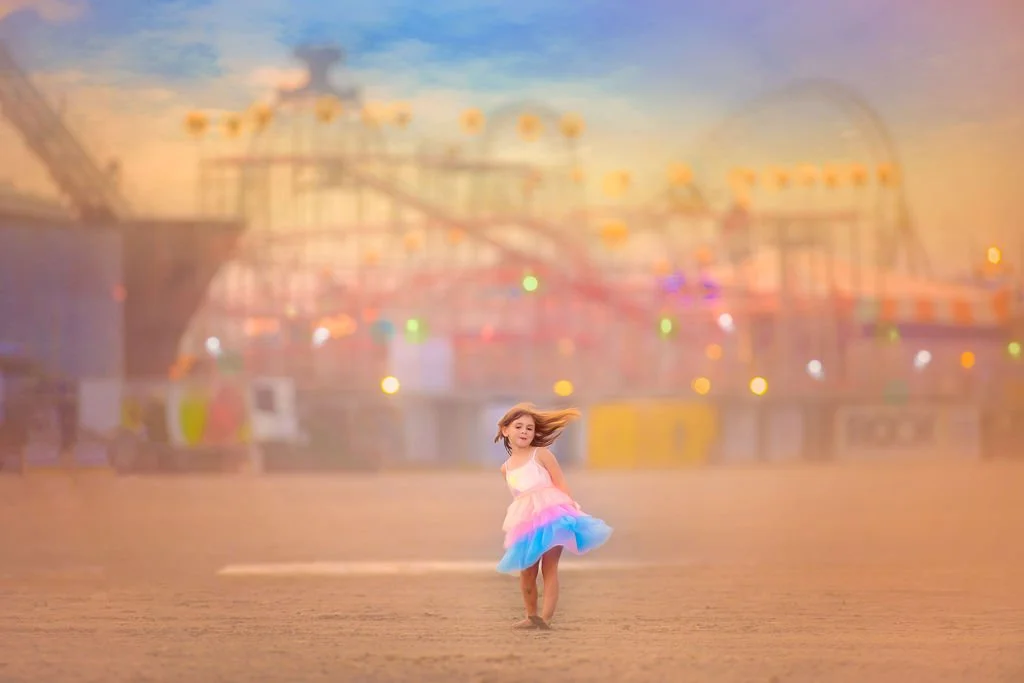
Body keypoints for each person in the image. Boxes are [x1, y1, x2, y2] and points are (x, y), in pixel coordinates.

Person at [494, 403, 613, 630]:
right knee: (527, 569)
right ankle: (531, 616)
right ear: (505, 429)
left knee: (549, 567)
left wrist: (572, 512)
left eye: (529, 428)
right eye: (518, 426)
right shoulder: (505, 468)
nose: (524, 432)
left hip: (553, 514)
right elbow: (519, 496)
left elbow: (561, 484)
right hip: (526, 519)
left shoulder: (542, 455)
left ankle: (546, 618)